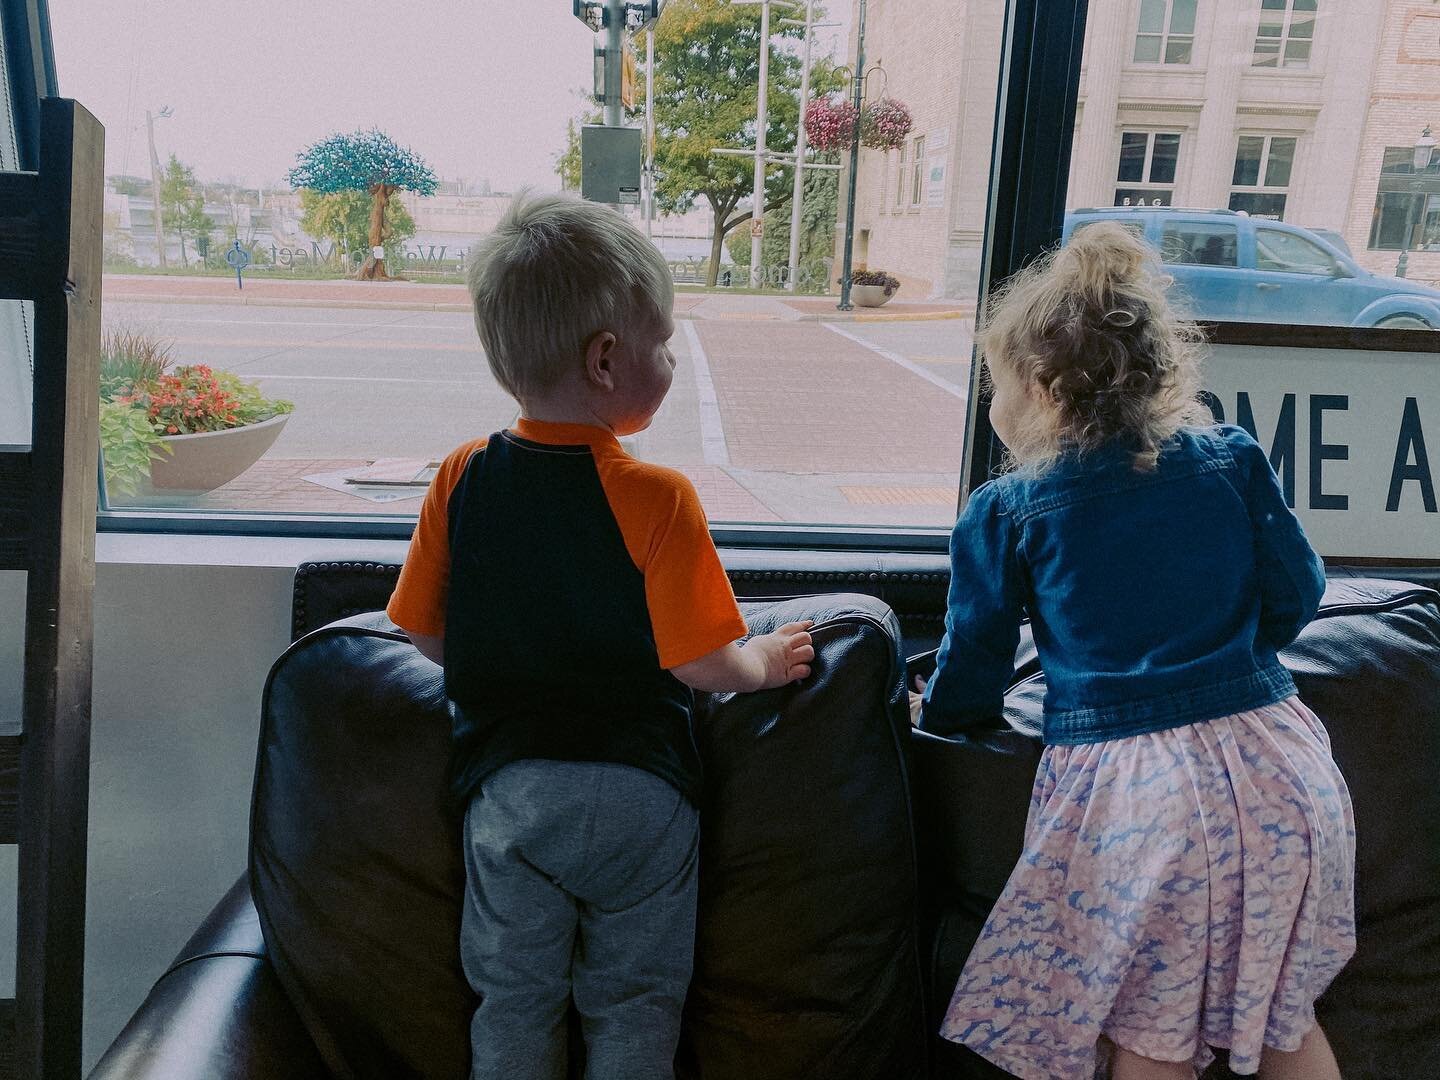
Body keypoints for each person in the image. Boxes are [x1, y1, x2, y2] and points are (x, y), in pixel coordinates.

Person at [385, 190, 814, 1080]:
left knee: (512, 1000)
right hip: (641, 801)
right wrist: (766, 662)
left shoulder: (461, 475)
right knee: (634, 1003)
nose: (669, 360)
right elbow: (701, 662)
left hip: (509, 796)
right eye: (662, 344)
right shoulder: (658, 497)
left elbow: (427, 635)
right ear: (608, 360)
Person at [913, 222, 1355, 1080]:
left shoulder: (1009, 510)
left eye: (993, 386)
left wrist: (935, 715)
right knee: (1282, 1022)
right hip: (1288, 780)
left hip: (1142, 806)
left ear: (1040, 389)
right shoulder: (1231, 460)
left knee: (1149, 1040)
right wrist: (1229, 663)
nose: (991, 406)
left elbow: (973, 659)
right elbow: (1297, 595)